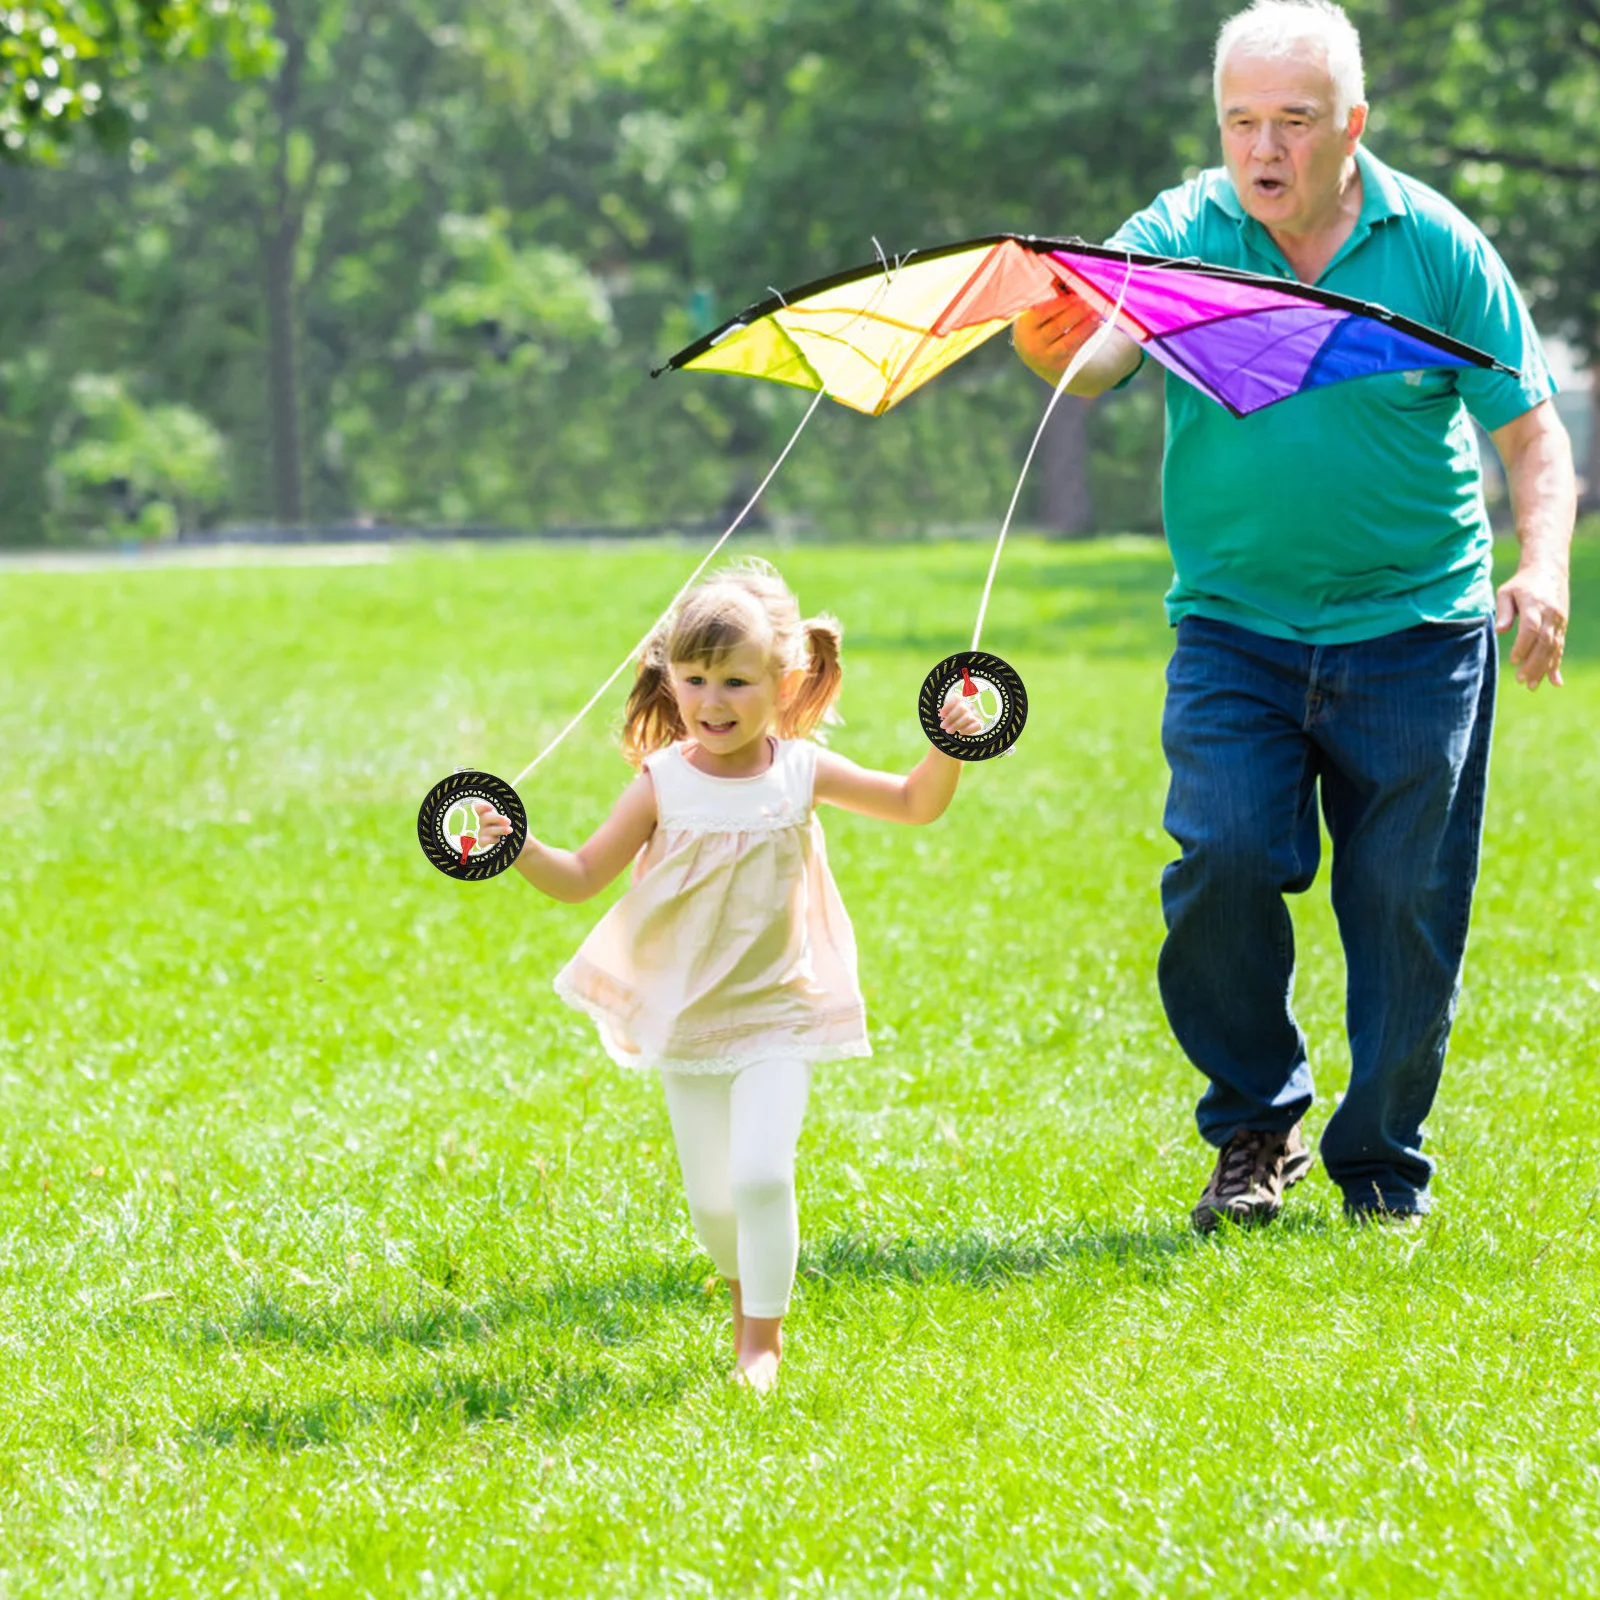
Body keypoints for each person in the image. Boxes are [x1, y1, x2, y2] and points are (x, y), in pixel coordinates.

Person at [1013, 0, 1575, 1230]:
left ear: (1350, 126)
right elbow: (1103, 350)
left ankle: (1378, 1163)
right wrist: (1069, 335)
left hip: (1416, 633)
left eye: (1293, 122)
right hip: (1234, 628)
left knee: (1405, 911)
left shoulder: (1433, 246)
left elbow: (1532, 437)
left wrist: (1543, 569)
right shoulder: (1180, 229)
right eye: (1240, 121)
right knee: (1217, 858)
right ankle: (1253, 1127)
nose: (1262, 149)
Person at [472, 560, 985, 1387]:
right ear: (670, 680)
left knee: (759, 1174)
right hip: (687, 1017)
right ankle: (747, 1285)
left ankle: (761, 1342)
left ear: (785, 682)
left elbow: (914, 802)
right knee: (714, 1205)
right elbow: (576, 878)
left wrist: (950, 743)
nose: (714, 702)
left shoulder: (802, 771)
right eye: (697, 680)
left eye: (738, 682)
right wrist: (513, 843)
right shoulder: (662, 783)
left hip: (781, 1009)